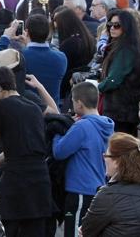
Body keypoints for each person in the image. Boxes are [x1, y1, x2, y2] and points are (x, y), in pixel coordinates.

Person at [0, 66, 54, 237]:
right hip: (40, 184)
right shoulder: (34, 108)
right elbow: (13, 151)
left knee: (5, 229)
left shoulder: (4, 106)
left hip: (16, 182)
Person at [79, 132, 140, 237]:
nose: (104, 158)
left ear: (117, 162)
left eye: (106, 155)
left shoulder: (108, 195)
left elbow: (86, 231)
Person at [53, 81, 115, 236]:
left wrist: (57, 133)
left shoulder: (82, 127)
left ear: (79, 104)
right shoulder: (108, 126)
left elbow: (59, 151)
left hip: (80, 190)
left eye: (73, 101)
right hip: (98, 189)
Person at [98, 8, 140, 135]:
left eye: (117, 25)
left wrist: (96, 87)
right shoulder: (120, 47)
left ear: (126, 27)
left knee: (118, 148)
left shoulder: (126, 50)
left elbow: (114, 80)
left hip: (120, 111)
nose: (112, 28)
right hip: (122, 111)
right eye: (109, 25)